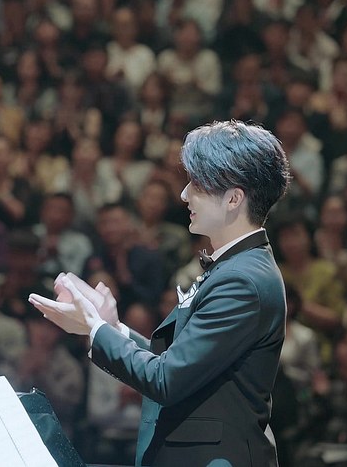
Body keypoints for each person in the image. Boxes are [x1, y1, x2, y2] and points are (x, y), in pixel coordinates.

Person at [30, 120, 290, 466]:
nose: (183, 194)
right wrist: (112, 328)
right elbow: (179, 361)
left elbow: (166, 378)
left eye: (197, 184)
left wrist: (97, 328)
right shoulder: (239, 267)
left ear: (233, 198)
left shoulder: (241, 278)